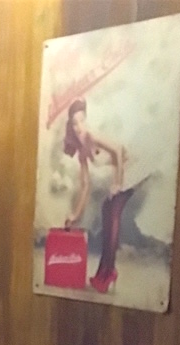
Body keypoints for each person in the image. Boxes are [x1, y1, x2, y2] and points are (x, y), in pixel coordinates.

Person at [63, 98, 133, 294]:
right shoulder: (82, 152)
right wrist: (75, 216)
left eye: (81, 121)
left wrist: (117, 183)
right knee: (106, 210)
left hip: (131, 169)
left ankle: (108, 272)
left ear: (86, 120)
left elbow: (118, 150)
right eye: (74, 123)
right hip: (120, 177)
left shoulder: (93, 136)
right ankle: (105, 271)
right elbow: (85, 185)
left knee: (112, 212)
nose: (79, 127)